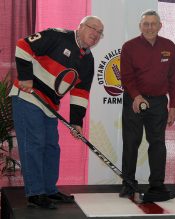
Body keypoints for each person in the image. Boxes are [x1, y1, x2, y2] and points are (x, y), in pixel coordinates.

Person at [9, 16, 104, 209]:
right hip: (28, 96)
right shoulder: (56, 36)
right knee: (34, 143)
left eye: (100, 33)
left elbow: (81, 93)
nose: (95, 34)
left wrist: (76, 122)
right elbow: (23, 45)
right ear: (80, 26)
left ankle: (49, 190)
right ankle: (35, 193)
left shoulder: (88, 61)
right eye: (92, 28)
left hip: (50, 105)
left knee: (52, 147)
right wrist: (26, 77)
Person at [119, 9, 175, 198]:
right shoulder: (129, 47)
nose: (150, 27)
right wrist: (136, 96)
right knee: (131, 143)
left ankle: (157, 185)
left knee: (158, 143)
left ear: (160, 26)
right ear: (140, 26)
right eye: (146, 24)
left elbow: (174, 79)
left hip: (159, 103)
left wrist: (173, 106)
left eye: (153, 24)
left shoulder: (169, 46)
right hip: (134, 101)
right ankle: (129, 184)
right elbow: (127, 77)